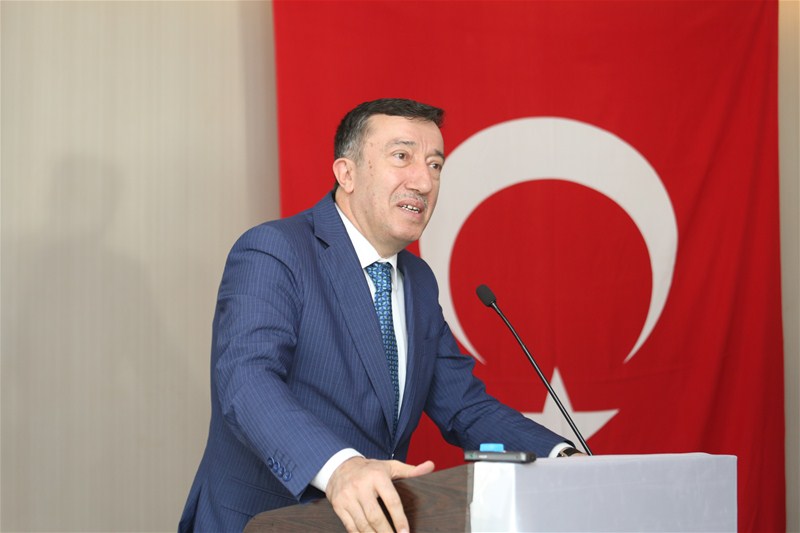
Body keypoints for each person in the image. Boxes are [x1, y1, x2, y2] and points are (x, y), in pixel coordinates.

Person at [179, 98, 579, 533]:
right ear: (346, 173)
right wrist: (340, 468)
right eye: (402, 157)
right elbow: (246, 381)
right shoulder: (276, 250)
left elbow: (463, 406)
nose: (423, 182)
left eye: (435, 165)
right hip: (262, 522)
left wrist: (564, 459)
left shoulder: (418, 281)